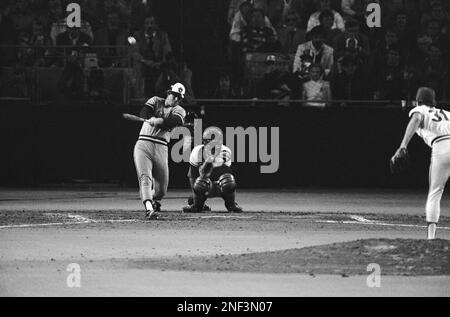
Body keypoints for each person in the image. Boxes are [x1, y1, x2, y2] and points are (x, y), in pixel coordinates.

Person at [390, 87, 450, 240]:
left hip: (442, 146)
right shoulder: (447, 114)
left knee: (435, 192)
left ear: (419, 100)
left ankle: (431, 239)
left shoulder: (421, 109)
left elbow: (416, 119)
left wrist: (403, 145)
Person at [134, 83, 187, 220]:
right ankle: (149, 209)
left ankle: (151, 199)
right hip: (143, 145)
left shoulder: (180, 110)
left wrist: (159, 120)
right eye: (174, 95)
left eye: (178, 98)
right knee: (146, 178)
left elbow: (173, 121)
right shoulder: (156, 100)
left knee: (161, 191)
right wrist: (150, 118)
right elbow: (144, 112)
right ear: (168, 92)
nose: (175, 99)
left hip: (161, 148)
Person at [182, 127, 243, 213]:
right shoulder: (197, 151)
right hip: (204, 186)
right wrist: (195, 194)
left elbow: (216, 163)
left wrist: (209, 160)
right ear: (204, 141)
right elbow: (192, 176)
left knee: (228, 180)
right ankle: (197, 205)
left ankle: (231, 204)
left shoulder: (225, 151)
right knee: (200, 182)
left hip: (221, 187)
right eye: (209, 141)